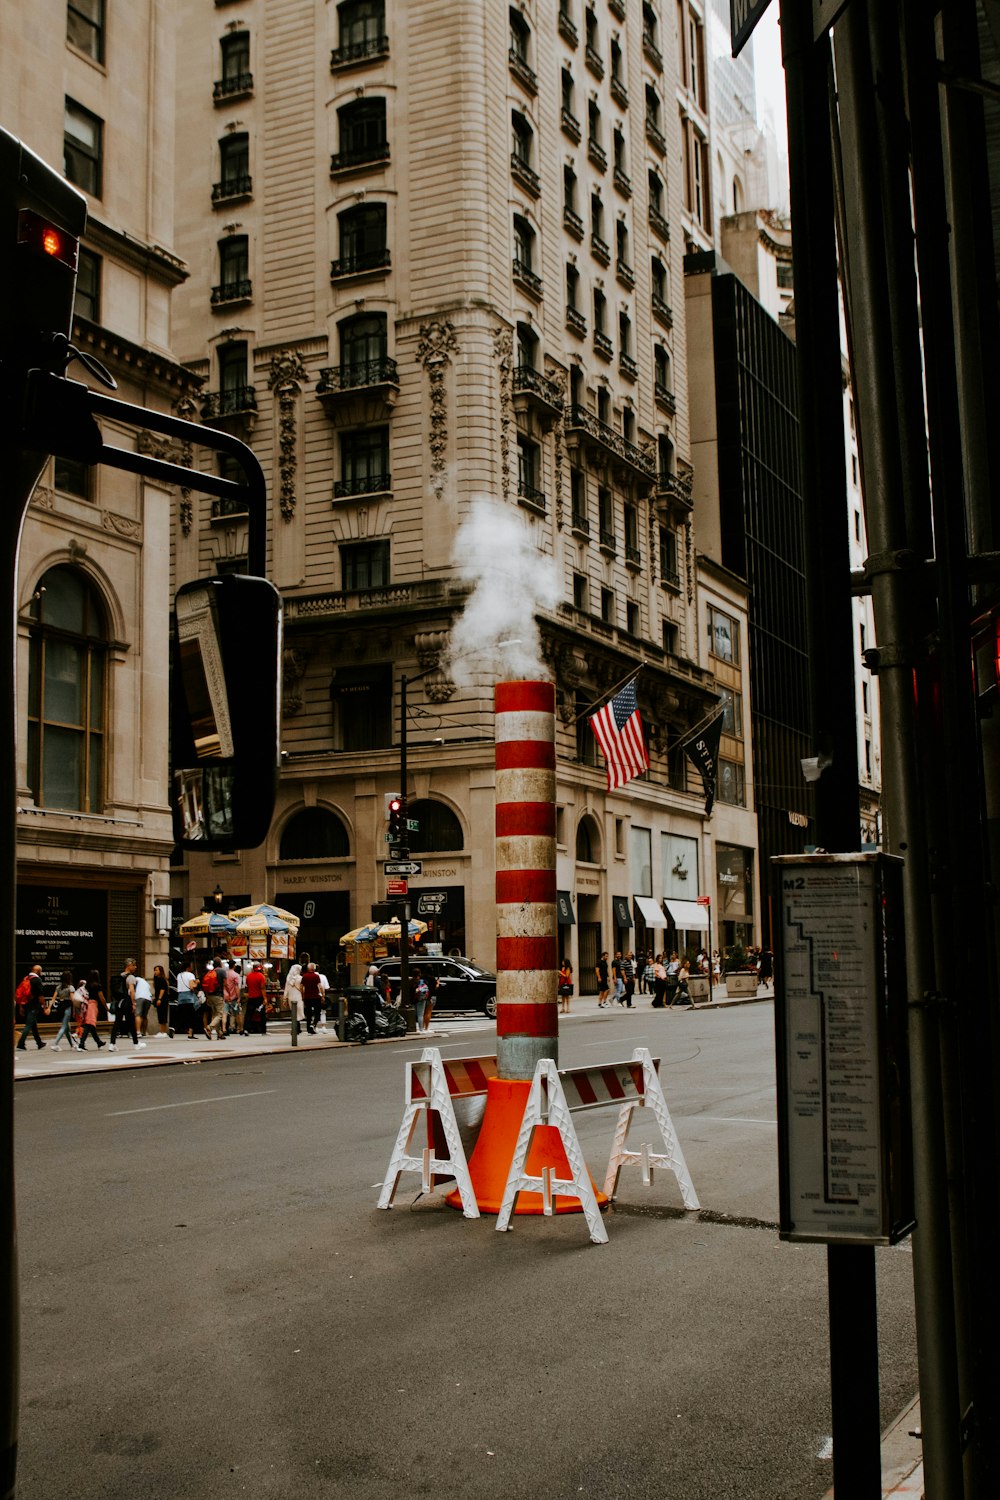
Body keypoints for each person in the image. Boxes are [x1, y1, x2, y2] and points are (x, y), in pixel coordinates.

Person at [109, 959, 145, 1050]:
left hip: (119, 1002)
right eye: (134, 965)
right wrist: (134, 1003)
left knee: (117, 1022)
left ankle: (112, 1044)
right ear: (129, 965)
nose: (135, 967)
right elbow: (132, 991)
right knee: (131, 1022)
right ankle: (136, 1044)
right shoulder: (131, 977)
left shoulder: (120, 976)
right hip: (127, 1002)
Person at [16, 964, 48, 1051]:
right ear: (37, 971)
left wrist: (21, 1007)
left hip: (25, 1005)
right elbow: (40, 996)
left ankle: (39, 1043)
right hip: (33, 1006)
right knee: (28, 1025)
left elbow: (21, 995)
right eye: (40, 971)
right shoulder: (37, 980)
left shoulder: (26, 978)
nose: (41, 973)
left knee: (33, 1025)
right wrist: (45, 1007)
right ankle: (20, 1044)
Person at [50, 970, 78, 1050]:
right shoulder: (70, 987)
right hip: (67, 1007)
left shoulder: (58, 987)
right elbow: (73, 999)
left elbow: (53, 998)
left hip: (60, 1006)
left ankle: (72, 1045)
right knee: (64, 1026)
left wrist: (49, 1008)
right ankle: (55, 1044)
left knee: (67, 1027)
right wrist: (76, 1008)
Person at [77, 975, 106, 1050]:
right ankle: (81, 1044)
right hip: (93, 1005)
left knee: (91, 1025)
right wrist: (106, 1007)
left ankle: (98, 1042)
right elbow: (102, 998)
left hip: (87, 1004)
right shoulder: (98, 986)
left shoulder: (87, 986)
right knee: (88, 1025)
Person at [241, 962, 268, 1035]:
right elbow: (262, 988)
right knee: (262, 1014)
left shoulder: (248, 976)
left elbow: (247, 986)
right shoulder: (261, 976)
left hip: (251, 997)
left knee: (249, 1014)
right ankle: (263, 1030)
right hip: (259, 998)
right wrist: (265, 998)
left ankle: (246, 1029)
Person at [174, 962, 199, 1038]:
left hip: (180, 997)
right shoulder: (190, 975)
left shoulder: (179, 975)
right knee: (191, 1016)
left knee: (181, 1015)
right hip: (189, 997)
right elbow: (192, 987)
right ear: (188, 967)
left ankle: (174, 1027)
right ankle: (190, 1033)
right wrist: (197, 982)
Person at [204, 961, 228, 1040]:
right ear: (220, 964)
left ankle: (219, 1034)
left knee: (215, 1015)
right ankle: (209, 1028)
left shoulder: (211, 972)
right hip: (218, 996)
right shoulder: (222, 971)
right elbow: (225, 983)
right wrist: (229, 993)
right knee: (220, 1015)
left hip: (210, 996)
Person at [301, 962, 323, 1034]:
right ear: (314, 968)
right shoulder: (316, 976)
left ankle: (308, 1027)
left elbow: (302, 987)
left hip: (307, 996)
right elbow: (320, 986)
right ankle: (314, 1024)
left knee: (308, 1013)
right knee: (317, 1012)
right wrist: (322, 995)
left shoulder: (304, 976)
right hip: (316, 996)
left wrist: (302, 995)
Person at [133, 967, 155, 1037]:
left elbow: (131, 989)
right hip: (148, 998)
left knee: (138, 1015)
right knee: (144, 1016)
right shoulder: (146, 982)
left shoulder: (135, 979)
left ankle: (138, 1032)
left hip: (140, 997)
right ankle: (144, 1032)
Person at [152, 964, 173, 1037]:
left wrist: (159, 999)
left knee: (163, 1014)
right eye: (154, 970)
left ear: (160, 971)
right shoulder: (156, 979)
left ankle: (163, 1031)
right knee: (160, 1014)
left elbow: (162, 989)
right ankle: (161, 1031)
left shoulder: (162, 979)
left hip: (163, 999)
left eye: (156, 970)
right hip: (159, 999)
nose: (155, 972)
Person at [222, 961, 242, 1035]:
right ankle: (240, 1028)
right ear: (234, 966)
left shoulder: (225, 974)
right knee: (237, 1013)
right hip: (233, 997)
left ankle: (224, 1029)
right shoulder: (236, 975)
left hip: (225, 997)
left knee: (224, 1013)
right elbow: (236, 987)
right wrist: (239, 997)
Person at [283, 963, 304, 1029]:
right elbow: (302, 988)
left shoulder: (288, 979)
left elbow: (286, 989)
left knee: (293, 1012)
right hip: (298, 996)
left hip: (291, 996)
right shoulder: (300, 978)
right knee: (299, 1012)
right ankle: (297, 1028)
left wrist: (284, 998)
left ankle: (295, 1028)